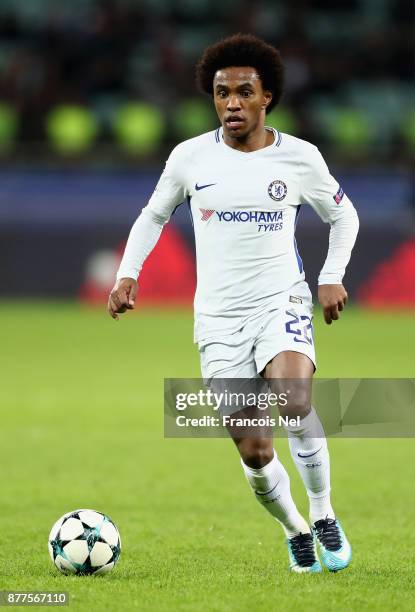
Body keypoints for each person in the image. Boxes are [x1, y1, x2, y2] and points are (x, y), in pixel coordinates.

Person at [108, 33, 359, 573]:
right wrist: (128, 274)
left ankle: (322, 512)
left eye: (244, 93)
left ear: (266, 97)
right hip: (218, 319)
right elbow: (154, 215)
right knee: (253, 449)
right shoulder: (190, 158)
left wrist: (331, 275)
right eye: (222, 94)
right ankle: (294, 529)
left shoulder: (299, 158)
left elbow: (344, 215)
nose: (231, 104)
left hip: (281, 301)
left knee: (294, 399)